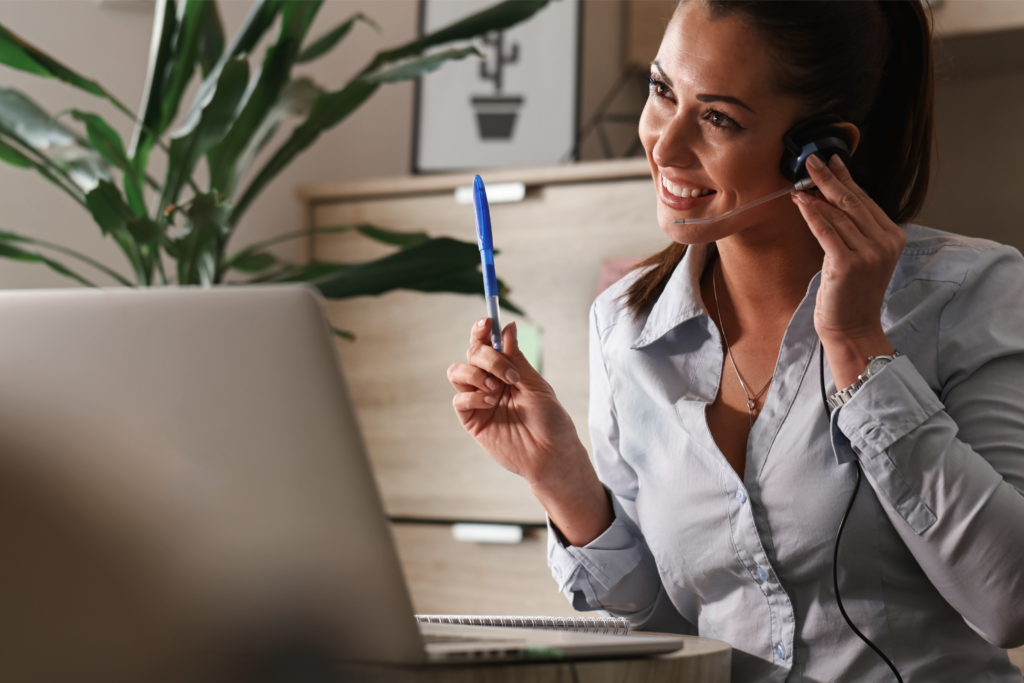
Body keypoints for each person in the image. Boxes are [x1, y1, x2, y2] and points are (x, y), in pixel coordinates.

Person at [446, 0, 1024, 679]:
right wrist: (562, 478)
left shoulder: (970, 293)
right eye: (663, 91)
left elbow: (1008, 599)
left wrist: (861, 349)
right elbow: (670, 631)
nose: (663, 143)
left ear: (821, 150)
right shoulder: (627, 327)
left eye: (718, 118)